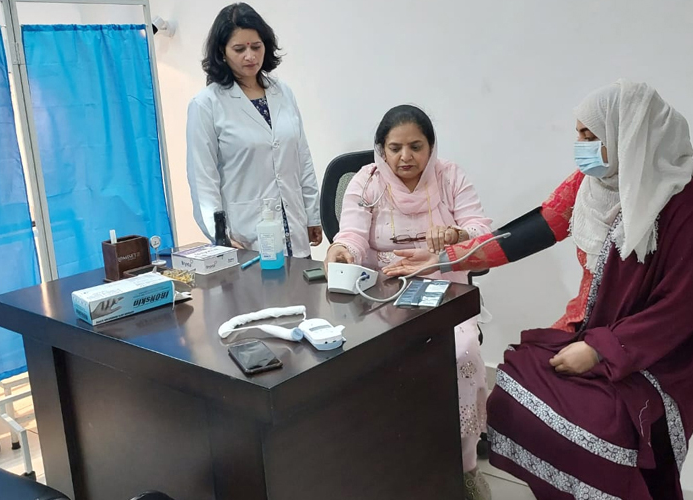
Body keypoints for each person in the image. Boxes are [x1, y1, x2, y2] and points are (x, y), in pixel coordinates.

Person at [384, 80, 693, 500]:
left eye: (589, 136)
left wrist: (602, 350)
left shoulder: (687, 206)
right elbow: (527, 234)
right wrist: (441, 260)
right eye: (577, 133)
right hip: (587, 328)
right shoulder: (591, 183)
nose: (579, 146)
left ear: (629, 136)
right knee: (511, 395)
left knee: (593, 425)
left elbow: (683, 308)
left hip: (647, 354)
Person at [324, 104, 494, 500]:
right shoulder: (364, 183)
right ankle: (387, 455)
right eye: (395, 147)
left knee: (463, 352)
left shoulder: (450, 177)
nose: (405, 157)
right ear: (381, 150)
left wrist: (455, 235)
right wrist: (341, 252)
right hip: (380, 294)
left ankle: (465, 464)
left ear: (431, 148)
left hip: (443, 289)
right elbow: (351, 234)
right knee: (369, 360)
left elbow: (480, 229)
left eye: (416, 146)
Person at [186, 2, 321, 257]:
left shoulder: (283, 93)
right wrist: (220, 235)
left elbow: (302, 158)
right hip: (244, 236)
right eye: (239, 49)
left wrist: (313, 214)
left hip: (295, 229)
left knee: (303, 295)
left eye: (256, 47)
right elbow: (203, 179)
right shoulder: (206, 105)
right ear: (222, 52)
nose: (250, 56)